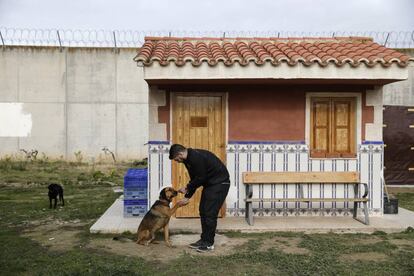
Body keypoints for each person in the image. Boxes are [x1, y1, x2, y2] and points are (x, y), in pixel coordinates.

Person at [169, 144, 230, 253]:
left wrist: (187, 187)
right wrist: (187, 197)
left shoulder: (196, 158)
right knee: (203, 210)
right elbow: (195, 179)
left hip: (220, 183)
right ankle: (204, 240)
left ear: (180, 154)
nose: (176, 161)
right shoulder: (187, 160)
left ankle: (209, 243)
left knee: (210, 213)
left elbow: (201, 178)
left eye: (176, 159)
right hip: (210, 184)